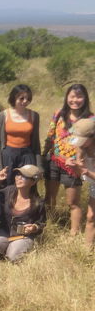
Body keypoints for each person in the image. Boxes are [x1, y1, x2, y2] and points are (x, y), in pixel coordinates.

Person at [43, 84, 93, 236]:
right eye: (72, 96)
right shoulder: (59, 114)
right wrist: (43, 154)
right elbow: (50, 136)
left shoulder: (90, 120)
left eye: (79, 97)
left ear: (85, 99)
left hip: (74, 166)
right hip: (54, 160)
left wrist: (79, 161)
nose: (75, 100)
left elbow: (91, 145)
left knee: (72, 202)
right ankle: (48, 224)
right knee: (50, 197)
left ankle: (73, 232)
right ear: (67, 97)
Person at [0, 165, 46, 262]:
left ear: (33, 181)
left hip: (23, 236)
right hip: (4, 231)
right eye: (17, 174)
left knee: (13, 256)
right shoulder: (8, 191)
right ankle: (5, 248)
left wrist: (34, 228)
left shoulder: (38, 202)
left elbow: (41, 223)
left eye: (24, 176)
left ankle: (12, 249)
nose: (18, 178)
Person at [0, 84, 42, 185]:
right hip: (8, 154)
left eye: (28, 99)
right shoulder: (4, 115)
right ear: (14, 97)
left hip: (27, 155)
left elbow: (36, 142)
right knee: (7, 184)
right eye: (21, 98)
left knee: (27, 185)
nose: (25, 101)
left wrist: (39, 166)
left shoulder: (34, 116)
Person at [68, 118, 95, 247]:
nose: (80, 144)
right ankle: (87, 250)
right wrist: (74, 167)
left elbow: (86, 173)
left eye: (83, 140)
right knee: (91, 216)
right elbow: (80, 174)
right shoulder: (81, 148)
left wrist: (87, 172)